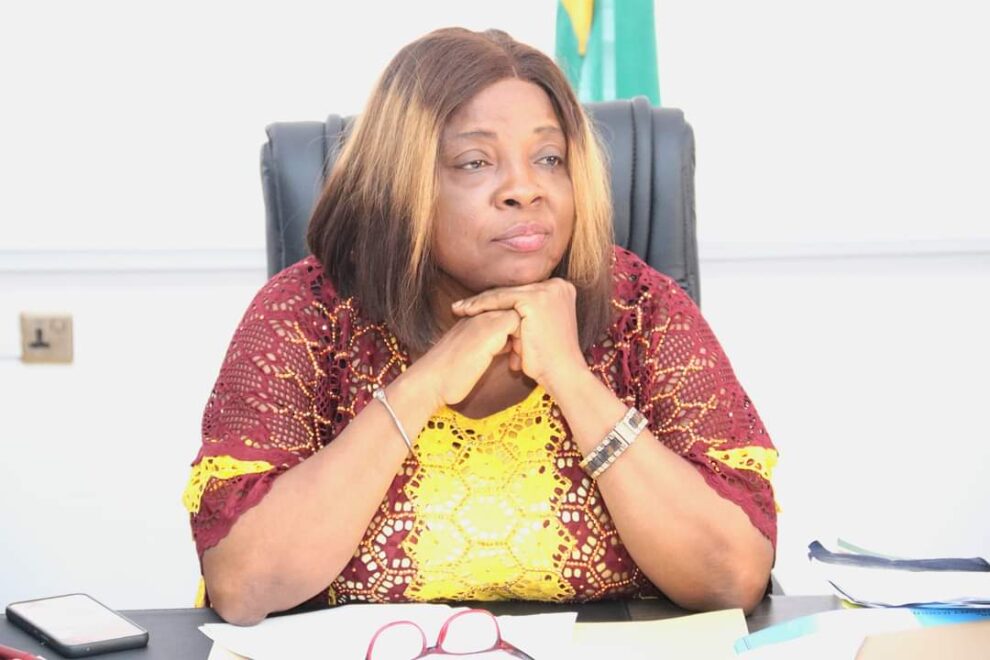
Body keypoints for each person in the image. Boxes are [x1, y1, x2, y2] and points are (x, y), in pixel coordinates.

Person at [182, 27, 778, 627]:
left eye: (549, 158)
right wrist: (426, 383)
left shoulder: (642, 310)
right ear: (401, 181)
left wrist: (572, 379)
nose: (525, 190)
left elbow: (731, 578)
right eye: (475, 162)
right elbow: (245, 585)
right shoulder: (308, 313)